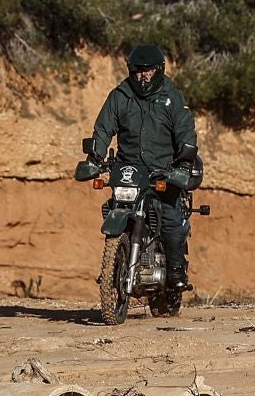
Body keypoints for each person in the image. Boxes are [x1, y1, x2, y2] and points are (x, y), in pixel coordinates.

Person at [83, 44, 200, 289]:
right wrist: (95, 157)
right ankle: (115, 265)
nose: (143, 75)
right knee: (112, 206)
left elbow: (185, 131)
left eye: (148, 70)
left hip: (163, 172)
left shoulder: (172, 97)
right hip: (130, 170)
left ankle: (176, 272)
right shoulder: (121, 96)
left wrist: (184, 162)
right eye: (137, 70)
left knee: (169, 217)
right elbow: (103, 129)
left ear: (159, 70)